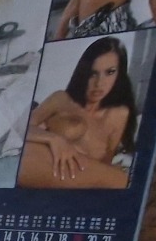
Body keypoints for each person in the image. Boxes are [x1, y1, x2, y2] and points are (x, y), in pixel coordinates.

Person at [18, 37, 139, 189]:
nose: (99, 83)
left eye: (110, 72)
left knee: (120, 180)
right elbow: (19, 130)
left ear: (119, 74)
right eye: (93, 73)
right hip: (39, 166)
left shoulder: (119, 114)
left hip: (76, 180)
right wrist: (54, 139)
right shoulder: (61, 99)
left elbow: (105, 162)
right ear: (83, 72)